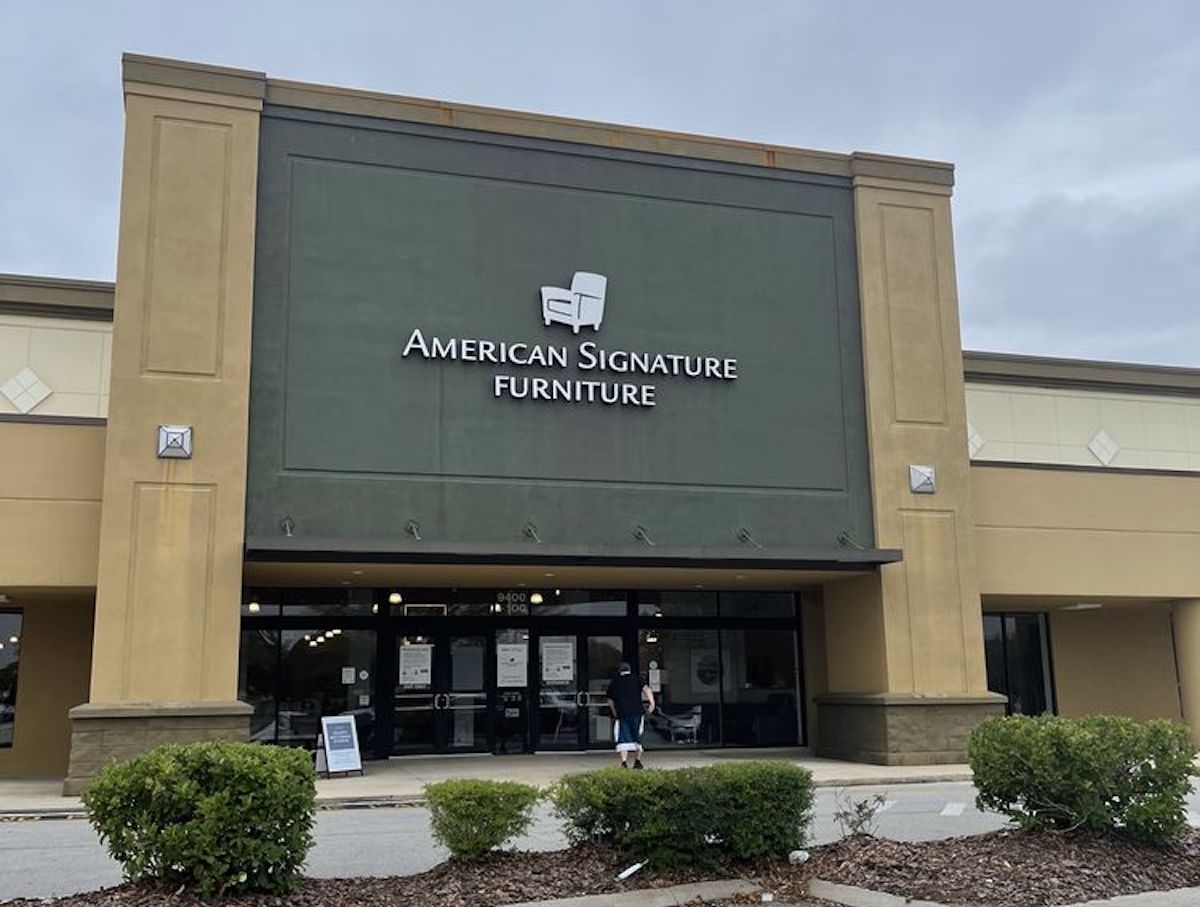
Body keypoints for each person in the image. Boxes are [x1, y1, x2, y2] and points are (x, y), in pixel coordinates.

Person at [605, 661, 655, 769]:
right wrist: (652, 703)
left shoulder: (615, 682)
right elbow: (647, 689)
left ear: (619, 671)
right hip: (637, 712)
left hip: (622, 713)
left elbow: (610, 700)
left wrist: (614, 711)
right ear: (629, 670)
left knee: (623, 737)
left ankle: (624, 762)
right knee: (638, 736)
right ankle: (637, 761)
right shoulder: (637, 679)